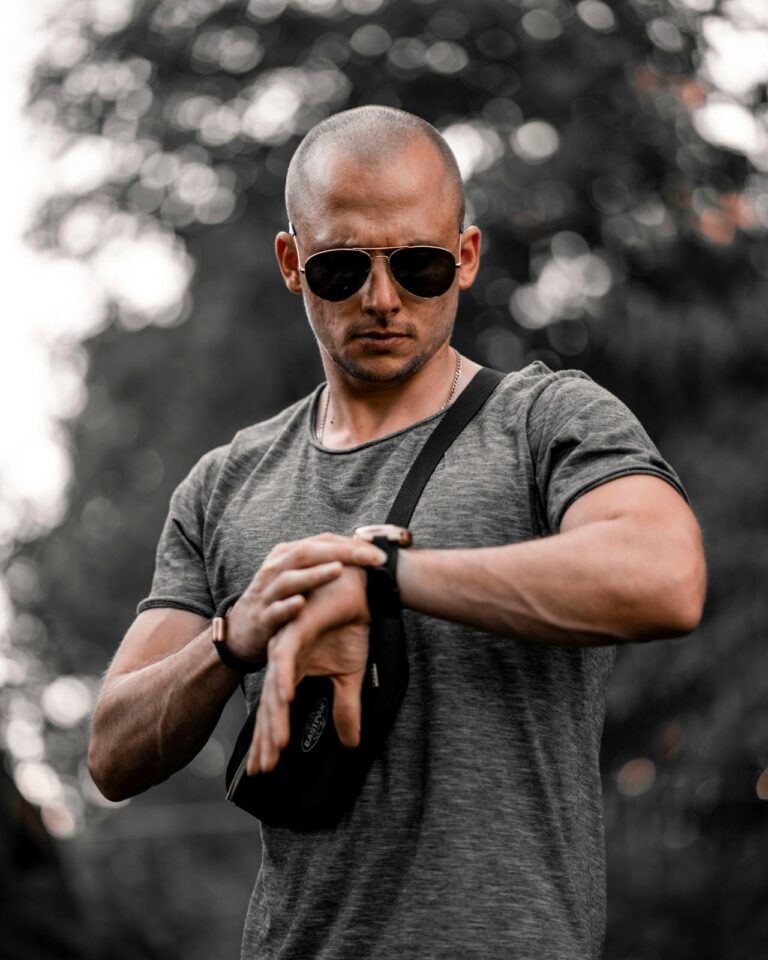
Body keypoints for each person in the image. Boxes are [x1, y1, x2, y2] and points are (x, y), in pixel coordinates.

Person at [88, 105, 706, 959]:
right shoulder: (224, 484)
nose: (382, 299)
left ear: (466, 257)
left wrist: (381, 579)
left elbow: (666, 576)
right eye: (342, 269)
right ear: (292, 264)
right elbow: (111, 755)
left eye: (418, 265)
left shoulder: (547, 421)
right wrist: (235, 636)